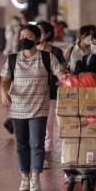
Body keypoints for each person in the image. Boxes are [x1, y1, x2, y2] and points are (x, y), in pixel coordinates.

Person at [0, 25, 66, 191]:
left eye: (28, 36)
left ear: (37, 39)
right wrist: (3, 93)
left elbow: (61, 75)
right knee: (22, 144)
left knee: (37, 143)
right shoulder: (13, 59)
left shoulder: (46, 57)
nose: (23, 39)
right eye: (21, 36)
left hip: (39, 107)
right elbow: (4, 81)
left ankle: (35, 178)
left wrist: (69, 80)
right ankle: (24, 177)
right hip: (17, 108)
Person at [36, 21, 67, 169]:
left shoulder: (56, 52)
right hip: (32, 94)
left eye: (39, 31)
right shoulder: (30, 49)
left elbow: (63, 71)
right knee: (34, 126)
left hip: (51, 93)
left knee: (48, 127)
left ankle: (45, 157)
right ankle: (35, 154)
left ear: (47, 34)